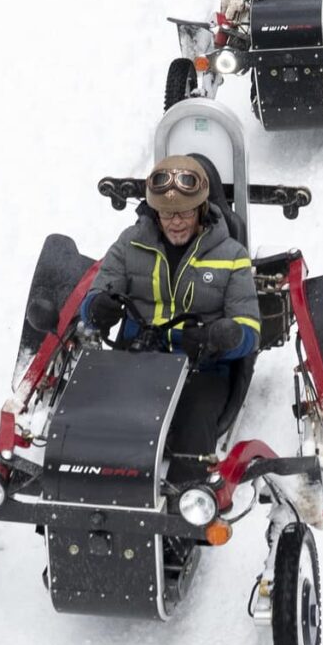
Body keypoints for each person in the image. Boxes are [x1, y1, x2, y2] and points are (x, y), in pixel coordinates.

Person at [80, 157, 259, 464]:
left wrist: (216, 338)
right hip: (137, 358)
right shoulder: (130, 244)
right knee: (96, 421)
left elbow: (249, 331)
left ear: (201, 210)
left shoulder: (233, 256)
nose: (176, 221)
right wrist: (97, 307)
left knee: (194, 420)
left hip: (202, 367)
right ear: (154, 212)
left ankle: (189, 500)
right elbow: (98, 291)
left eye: (185, 212)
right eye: (166, 213)